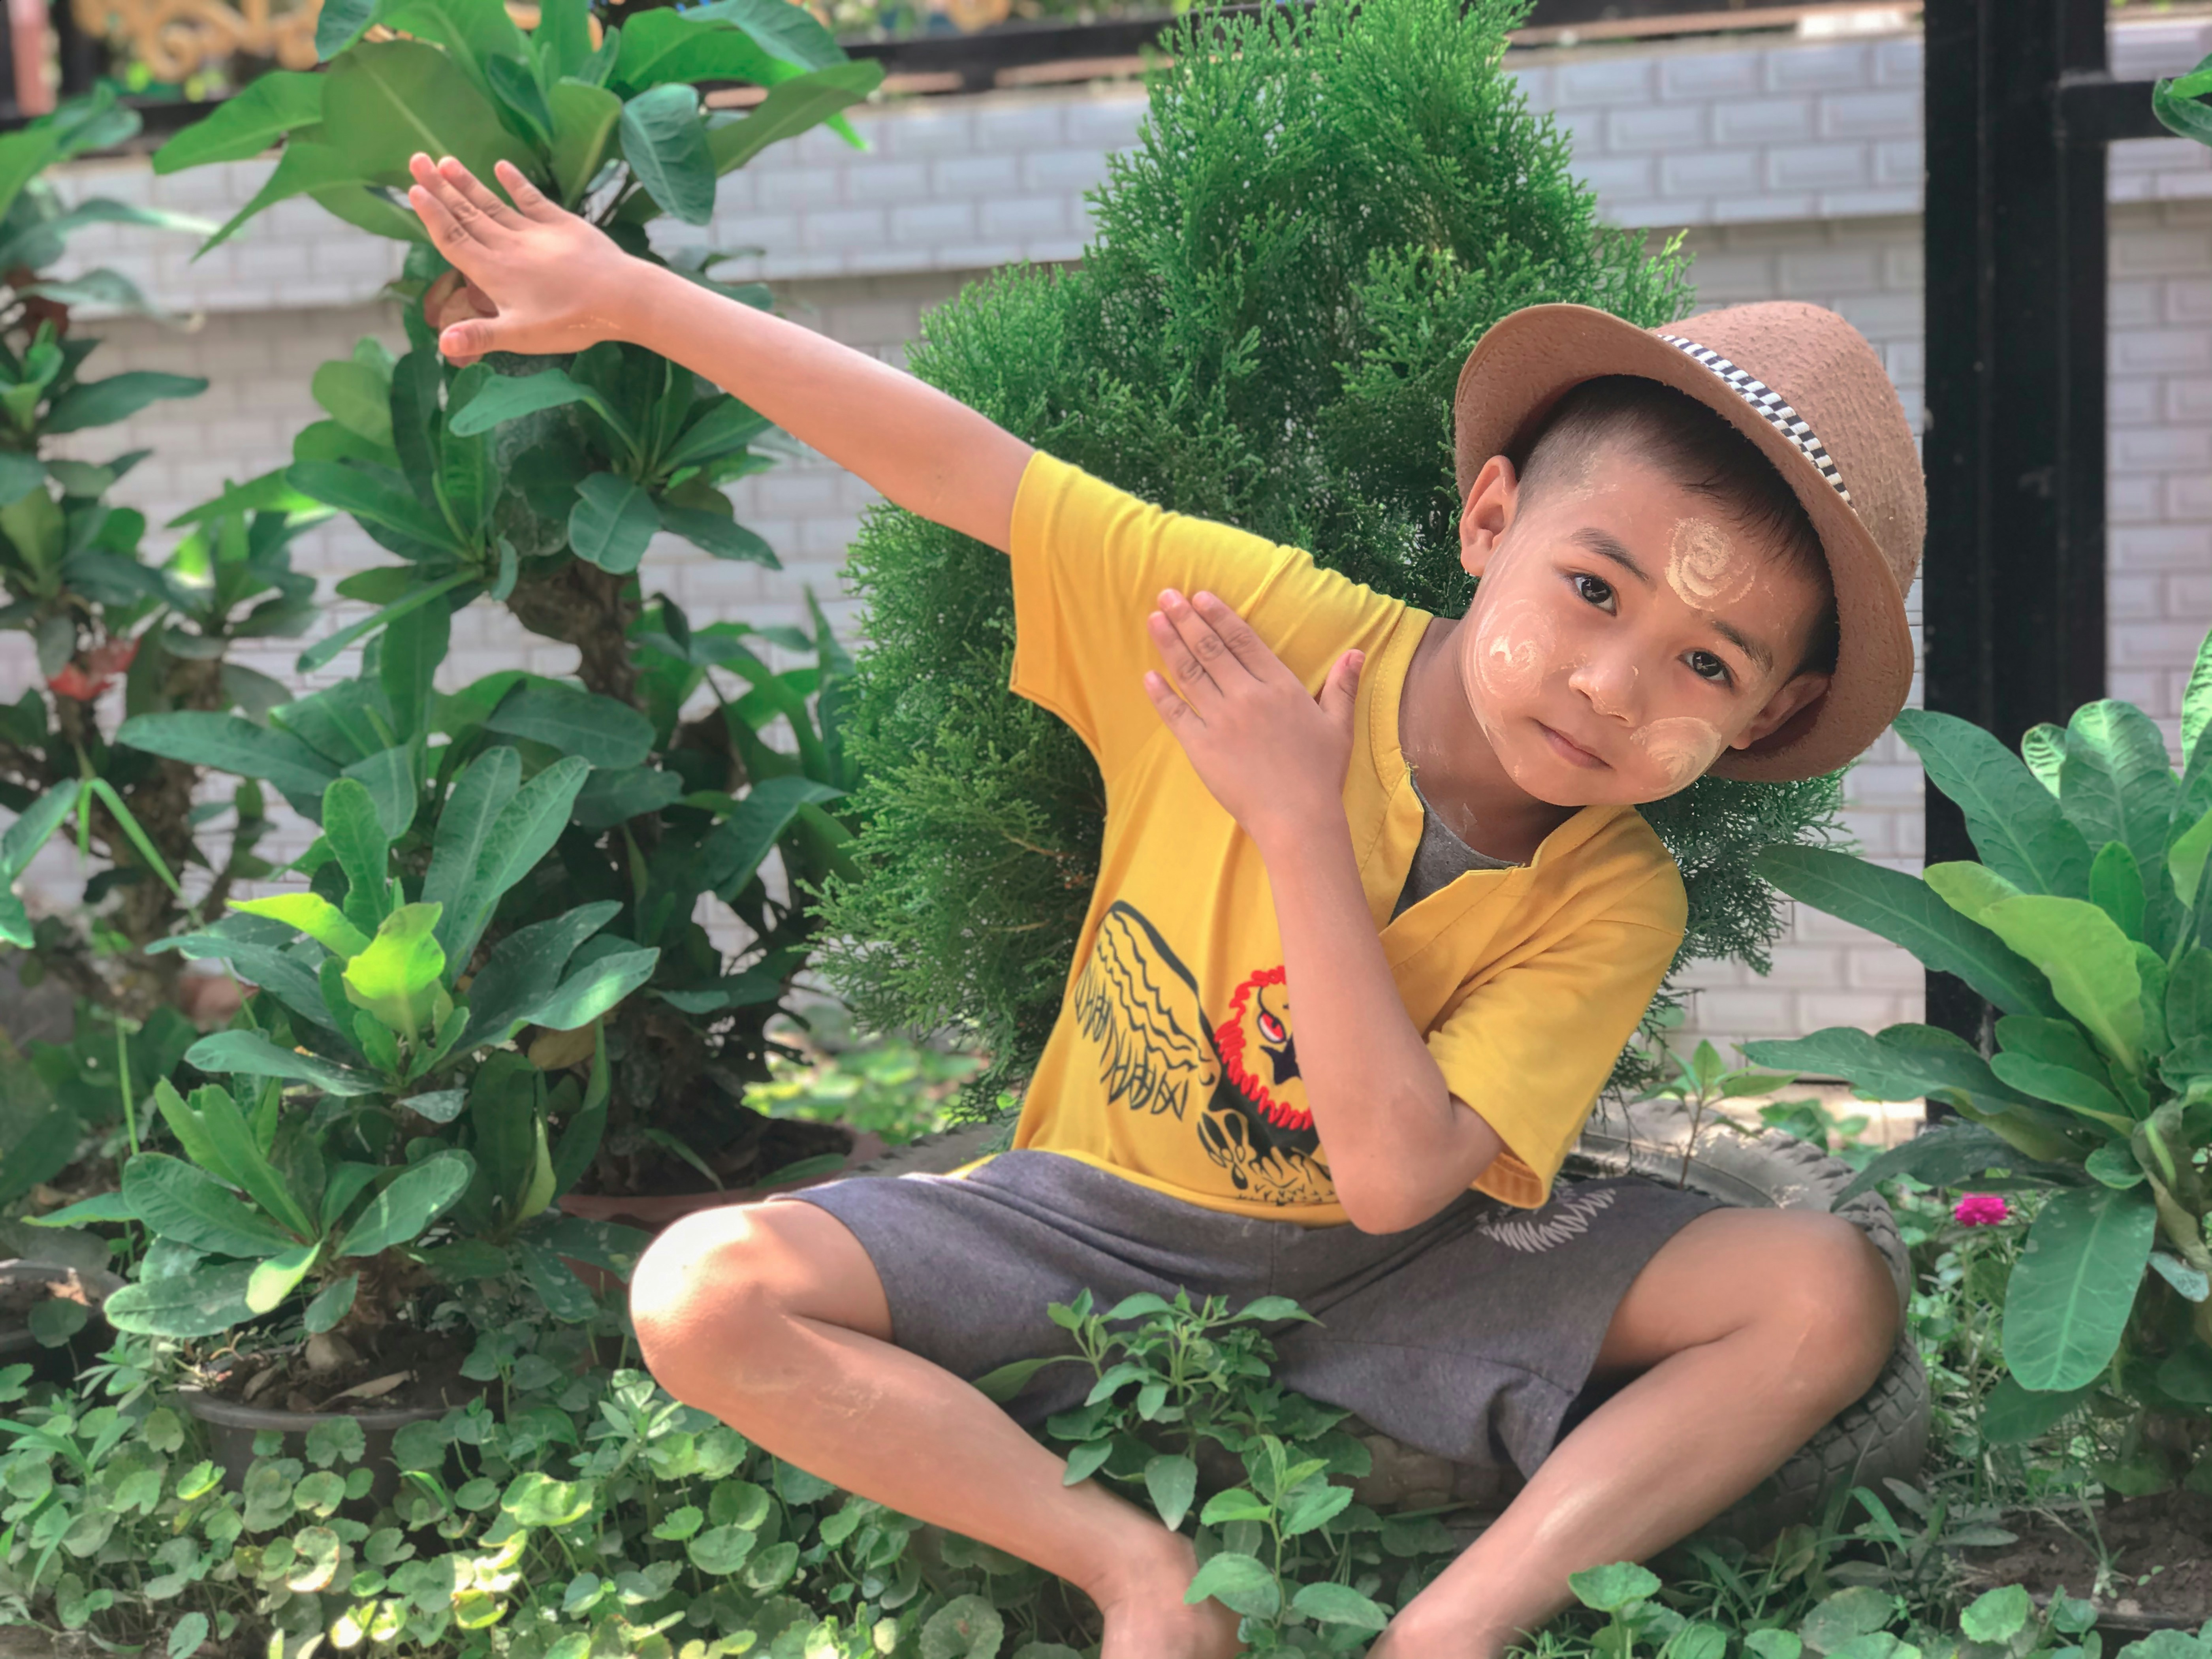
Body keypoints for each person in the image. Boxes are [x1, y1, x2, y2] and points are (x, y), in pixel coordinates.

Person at [404, 150, 1920, 1659]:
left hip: (1407, 1264)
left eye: (1706, 667)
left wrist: (1295, 822)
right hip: (1087, 1227)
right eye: (1595, 589)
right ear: (1489, 520)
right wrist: (629, 299)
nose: (1612, 686)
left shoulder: (1612, 890)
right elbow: (964, 469)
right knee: (699, 1291)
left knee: (1825, 1290)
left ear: (1767, 722)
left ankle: (1451, 1630)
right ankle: (1135, 1571)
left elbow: (1400, 1181)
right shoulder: (1250, 630)